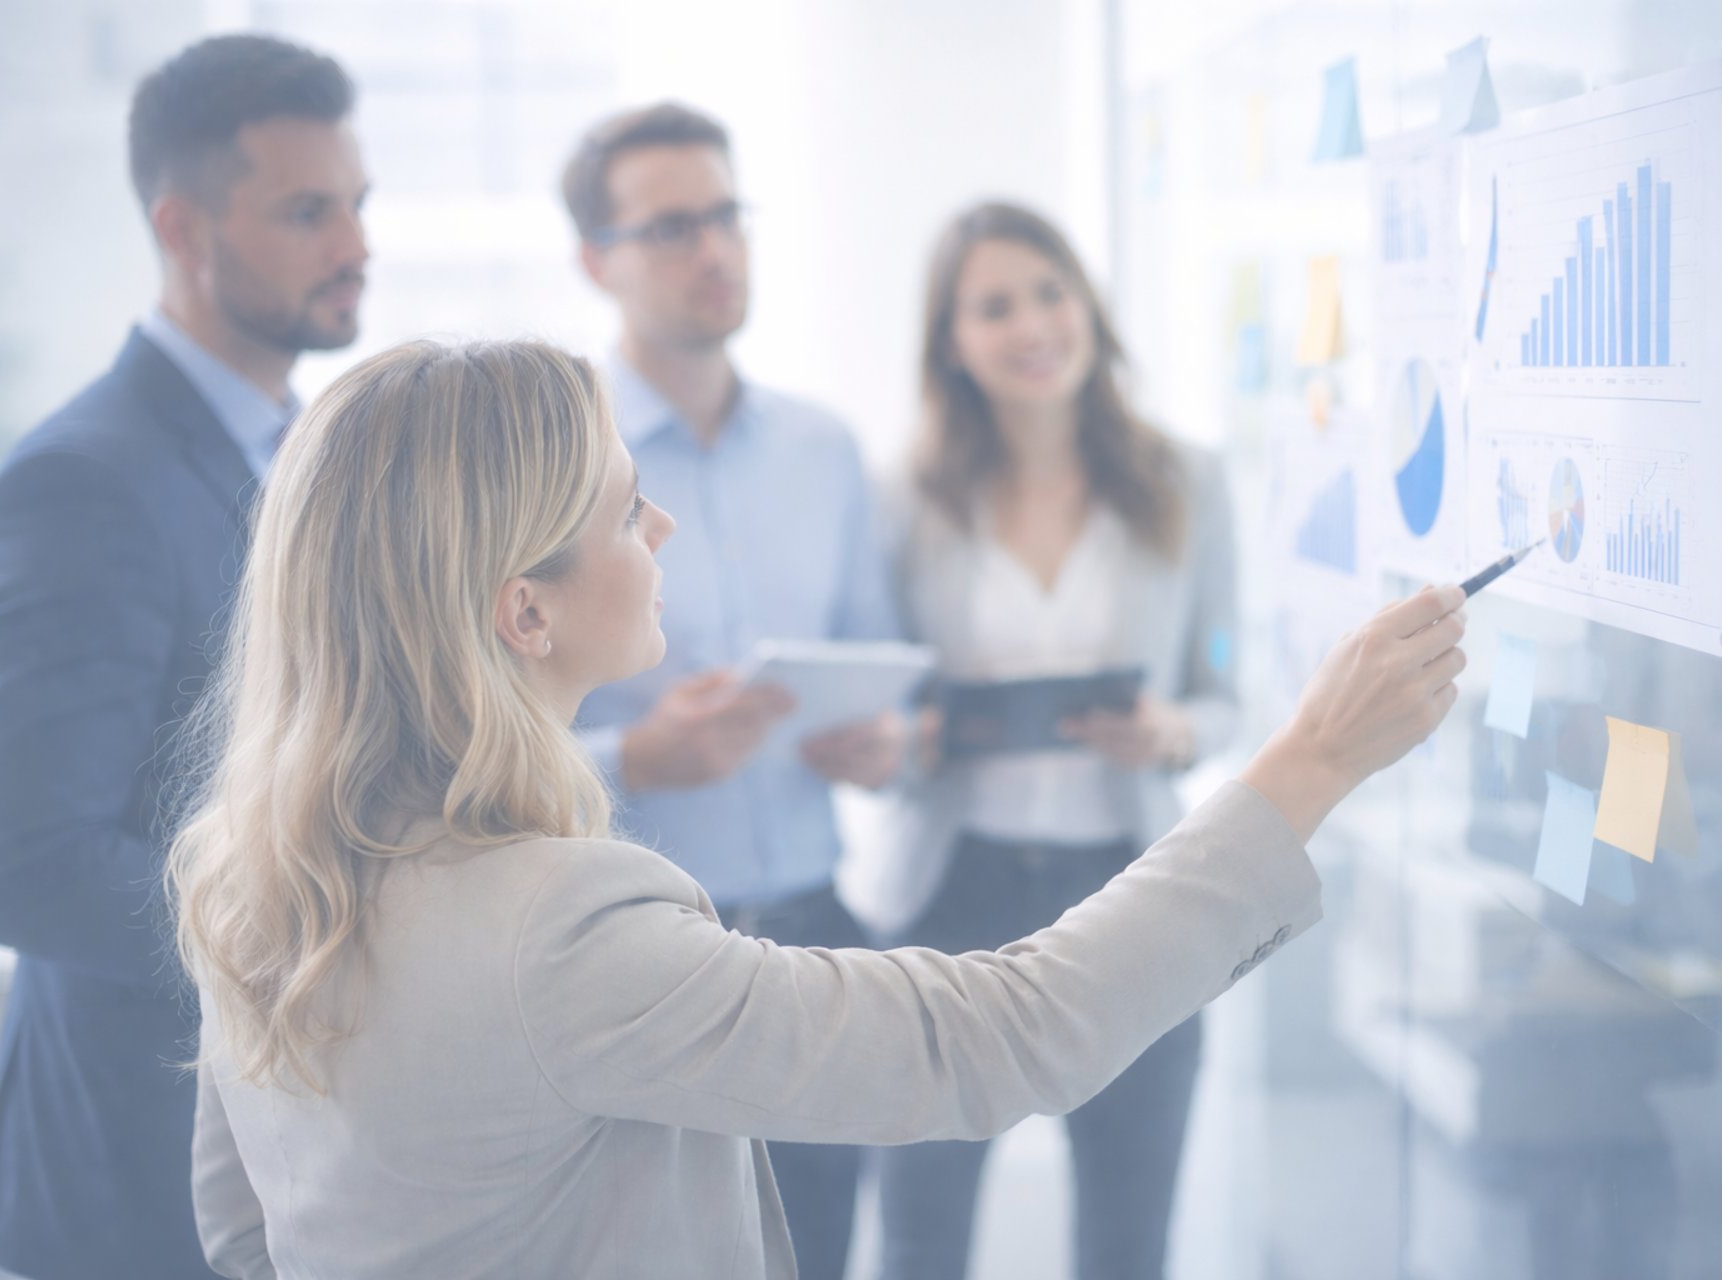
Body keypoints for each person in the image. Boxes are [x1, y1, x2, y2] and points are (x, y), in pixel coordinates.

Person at [171, 336, 1465, 1279]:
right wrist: (1312, 760)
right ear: (526, 610)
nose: (663, 525)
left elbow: (244, 1236)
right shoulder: (556, 929)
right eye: (627, 509)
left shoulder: (250, 871)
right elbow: (1000, 1037)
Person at [0, 34, 368, 1280]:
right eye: (307, 211)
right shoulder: (83, 481)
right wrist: (327, 942)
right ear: (185, 230)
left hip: (297, 1151)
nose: (355, 245)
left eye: (356, 204)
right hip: (143, 1167)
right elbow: (18, 866)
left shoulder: (310, 448)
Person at [556, 101, 902, 1278]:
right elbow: (473, 731)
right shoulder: (552, 458)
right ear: (596, 260)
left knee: (819, 1252)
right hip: (629, 948)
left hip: (815, 936)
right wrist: (635, 760)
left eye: (726, 216)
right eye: (672, 228)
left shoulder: (826, 448)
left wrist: (882, 741)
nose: (714, 250)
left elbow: (879, 659)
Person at [869, 200, 1238, 1279]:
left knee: (1129, 1234)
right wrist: (917, 734)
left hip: (1130, 890)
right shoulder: (908, 497)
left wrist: (1172, 729)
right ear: (952, 340)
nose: (1032, 323)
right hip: (951, 894)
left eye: (1050, 291)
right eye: (994, 306)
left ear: (1088, 306)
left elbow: (1227, 697)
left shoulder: (1187, 482)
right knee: (919, 1233)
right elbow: (882, 713)